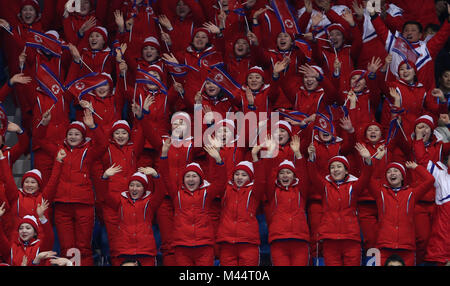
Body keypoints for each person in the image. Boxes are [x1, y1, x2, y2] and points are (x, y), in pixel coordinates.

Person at [159, 138, 227, 266]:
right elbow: (165, 176)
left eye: (194, 176)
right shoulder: (177, 194)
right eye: (188, 176)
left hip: (204, 245)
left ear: (200, 179)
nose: (191, 179)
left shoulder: (207, 193)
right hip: (182, 245)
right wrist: (164, 154)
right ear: (183, 179)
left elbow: (221, 182)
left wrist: (218, 160)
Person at [306, 142, 373, 266]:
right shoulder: (325, 186)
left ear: (346, 170)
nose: (335, 169)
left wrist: (367, 160)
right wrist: (311, 158)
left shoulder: (354, 186)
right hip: (329, 238)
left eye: (339, 166)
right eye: (332, 167)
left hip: (351, 238)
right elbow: (313, 175)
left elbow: (366, 176)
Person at [368, 145, 436, 266]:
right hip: (384, 244)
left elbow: (430, 180)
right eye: (388, 171)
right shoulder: (381, 193)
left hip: (406, 246)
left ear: (402, 176)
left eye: (396, 171)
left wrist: (416, 167)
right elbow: (369, 178)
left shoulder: (411, 193)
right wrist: (377, 160)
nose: (392, 173)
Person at [100, 164, 167, 266]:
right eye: (131, 185)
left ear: (144, 188)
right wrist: (105, 177)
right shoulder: (120, 201)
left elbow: (161, 193)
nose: (134, 188)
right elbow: (104, 194)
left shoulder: (150, 202)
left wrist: (155, 176)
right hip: (123, 249)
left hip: (145, 250)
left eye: (138, 185)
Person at [0, 199, 53, 266]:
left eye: (28, 228)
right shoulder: (12, 247)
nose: (24, 231)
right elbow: (1, 238)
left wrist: (42, 217)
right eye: (21, 228)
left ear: (35, 233)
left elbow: (49, 236)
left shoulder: (40, 247)